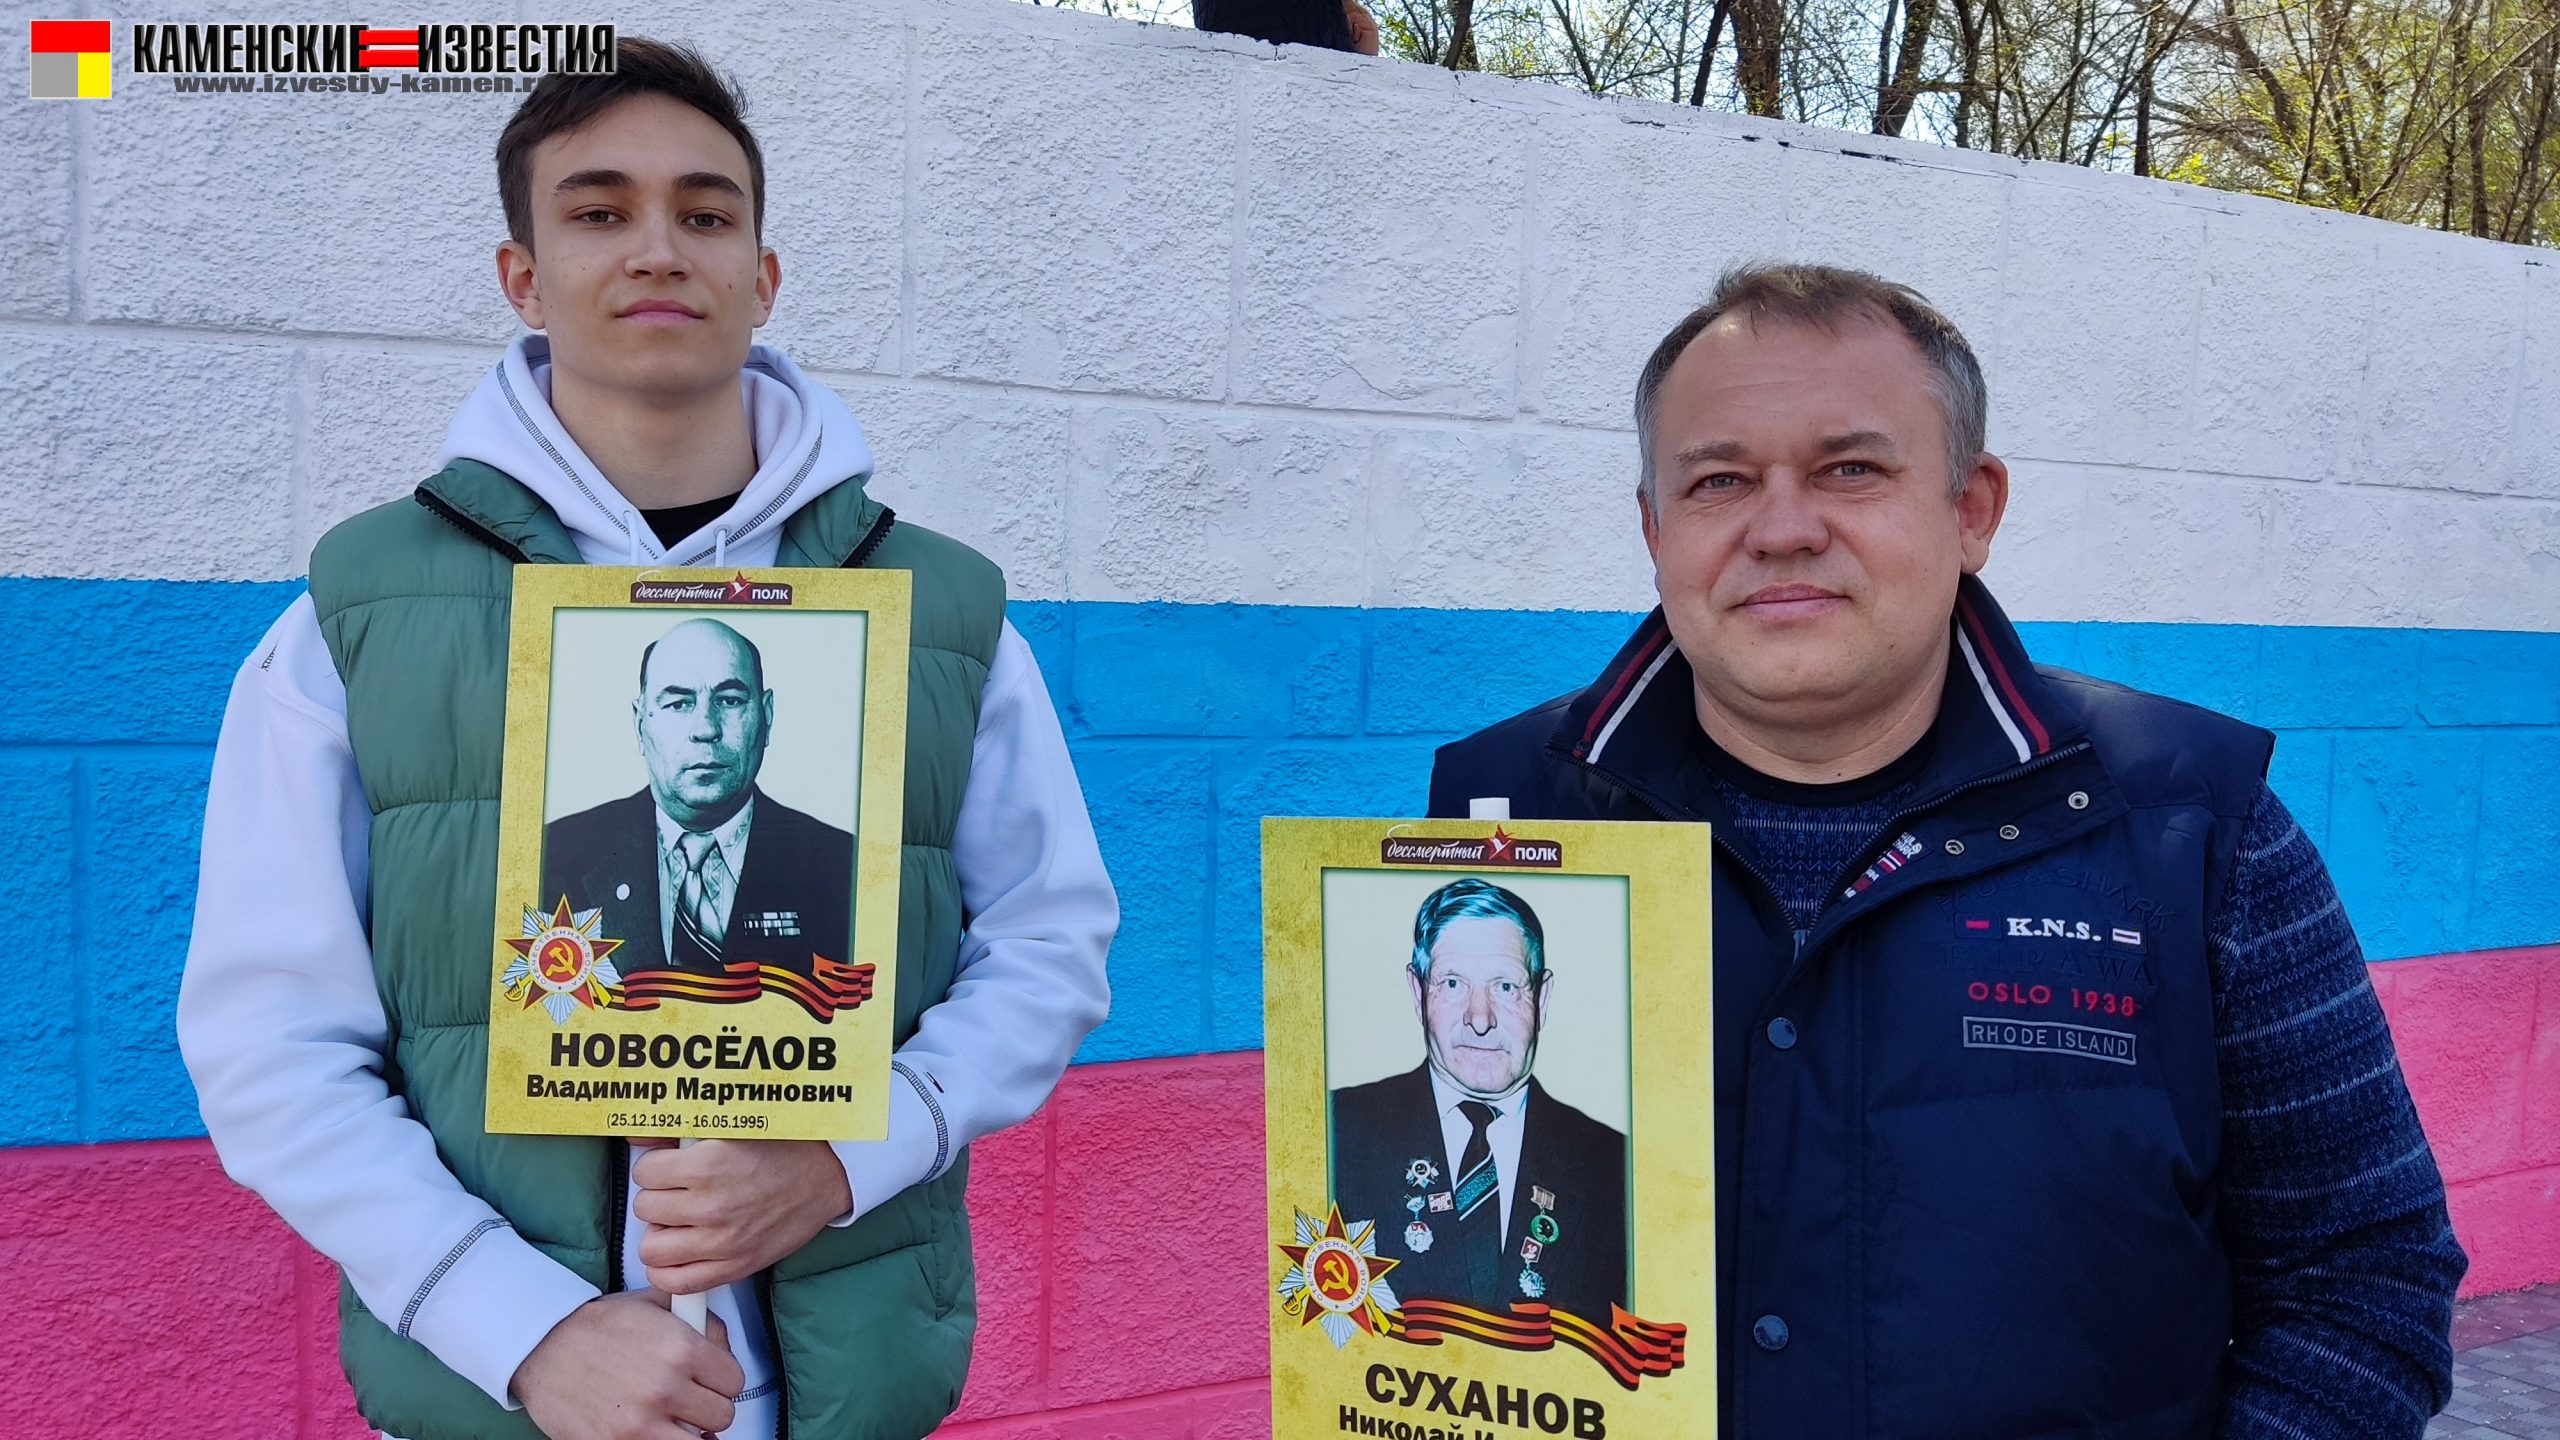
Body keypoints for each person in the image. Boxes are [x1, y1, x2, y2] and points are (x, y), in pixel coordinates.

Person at [177, 39, 1115, 1440]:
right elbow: (268, 1038)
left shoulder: (937, 611)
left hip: (838, 1384)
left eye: (706, 212)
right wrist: (519, 1324)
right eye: (601, 209)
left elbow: (1050, 944)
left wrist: (846, 1158)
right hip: (508, 1394)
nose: (659, 248)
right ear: (523, 276)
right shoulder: (355, 616)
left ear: (763, 274)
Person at [1427, 263, 2465, 1437]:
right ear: (1654, 527)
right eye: (1719, 480)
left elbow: (2362, 1278)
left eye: (1850, 470)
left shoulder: (2195, 834)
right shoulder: (1490, 828)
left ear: (1971, 510)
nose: (1781, 529)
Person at [1330, 879, 1628, 1321]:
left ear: (1542, 998)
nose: (1480, 1019)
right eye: (1453, 983)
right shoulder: (1334, 1133)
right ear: (1418, 993)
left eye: (1505, 987)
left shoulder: (1616, 1167)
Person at [543, 617, 853, 978]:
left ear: (766, 715)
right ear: (640, 724)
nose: (706, 728)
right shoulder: (554, 856)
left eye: (730, 700)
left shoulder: (845, 866)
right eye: (678, 703)